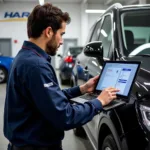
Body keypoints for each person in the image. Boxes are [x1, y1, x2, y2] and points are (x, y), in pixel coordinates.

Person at [4, 3, 119, 150]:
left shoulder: (23, 57)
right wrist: (99, 101)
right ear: (49, 32)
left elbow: (48, 98)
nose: (62, 41)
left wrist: (82, 89)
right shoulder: (36, 66)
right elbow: (65, 116)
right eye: (61, 34)